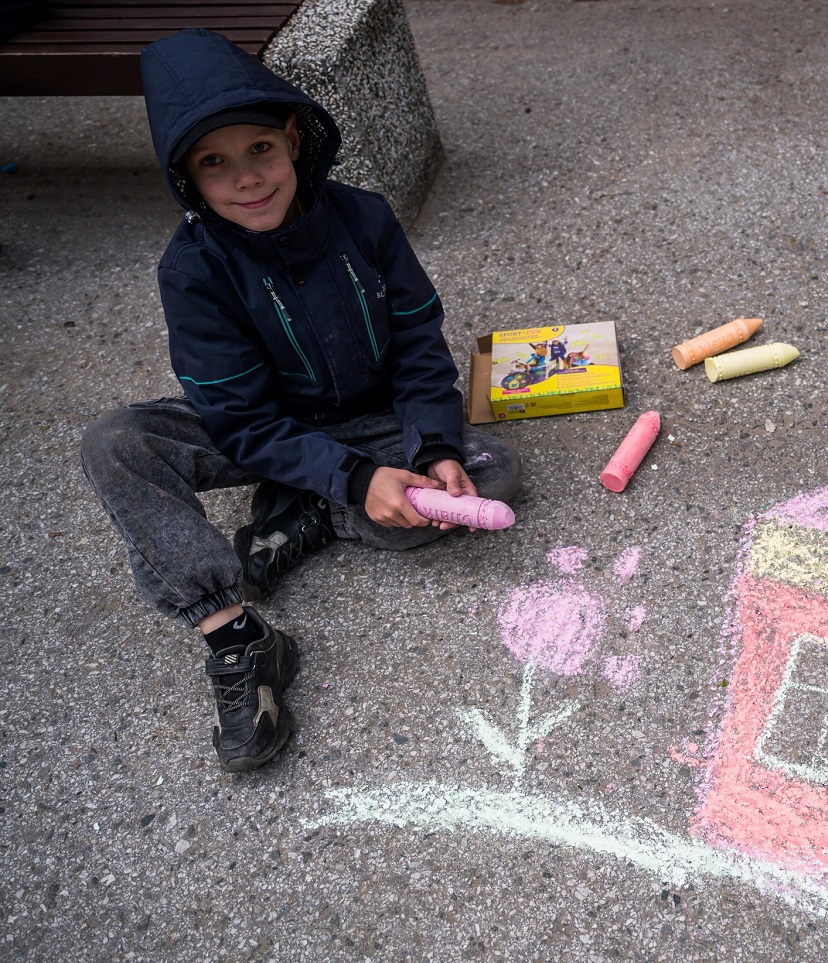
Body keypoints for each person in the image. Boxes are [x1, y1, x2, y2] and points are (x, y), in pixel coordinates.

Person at [79, 28, 520, 773]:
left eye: (259, 149)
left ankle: (308, 510)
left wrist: (435, 449)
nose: (247, 178)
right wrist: (356, 478)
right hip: (259, 425)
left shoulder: (366, 218)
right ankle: (237, 635)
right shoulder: (192, 271)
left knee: (491, 472)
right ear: (187, 177)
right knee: (116, 443)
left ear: (293, 137)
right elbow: (240, 421)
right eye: (214, 164)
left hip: (371, 410)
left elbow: (418, 345)